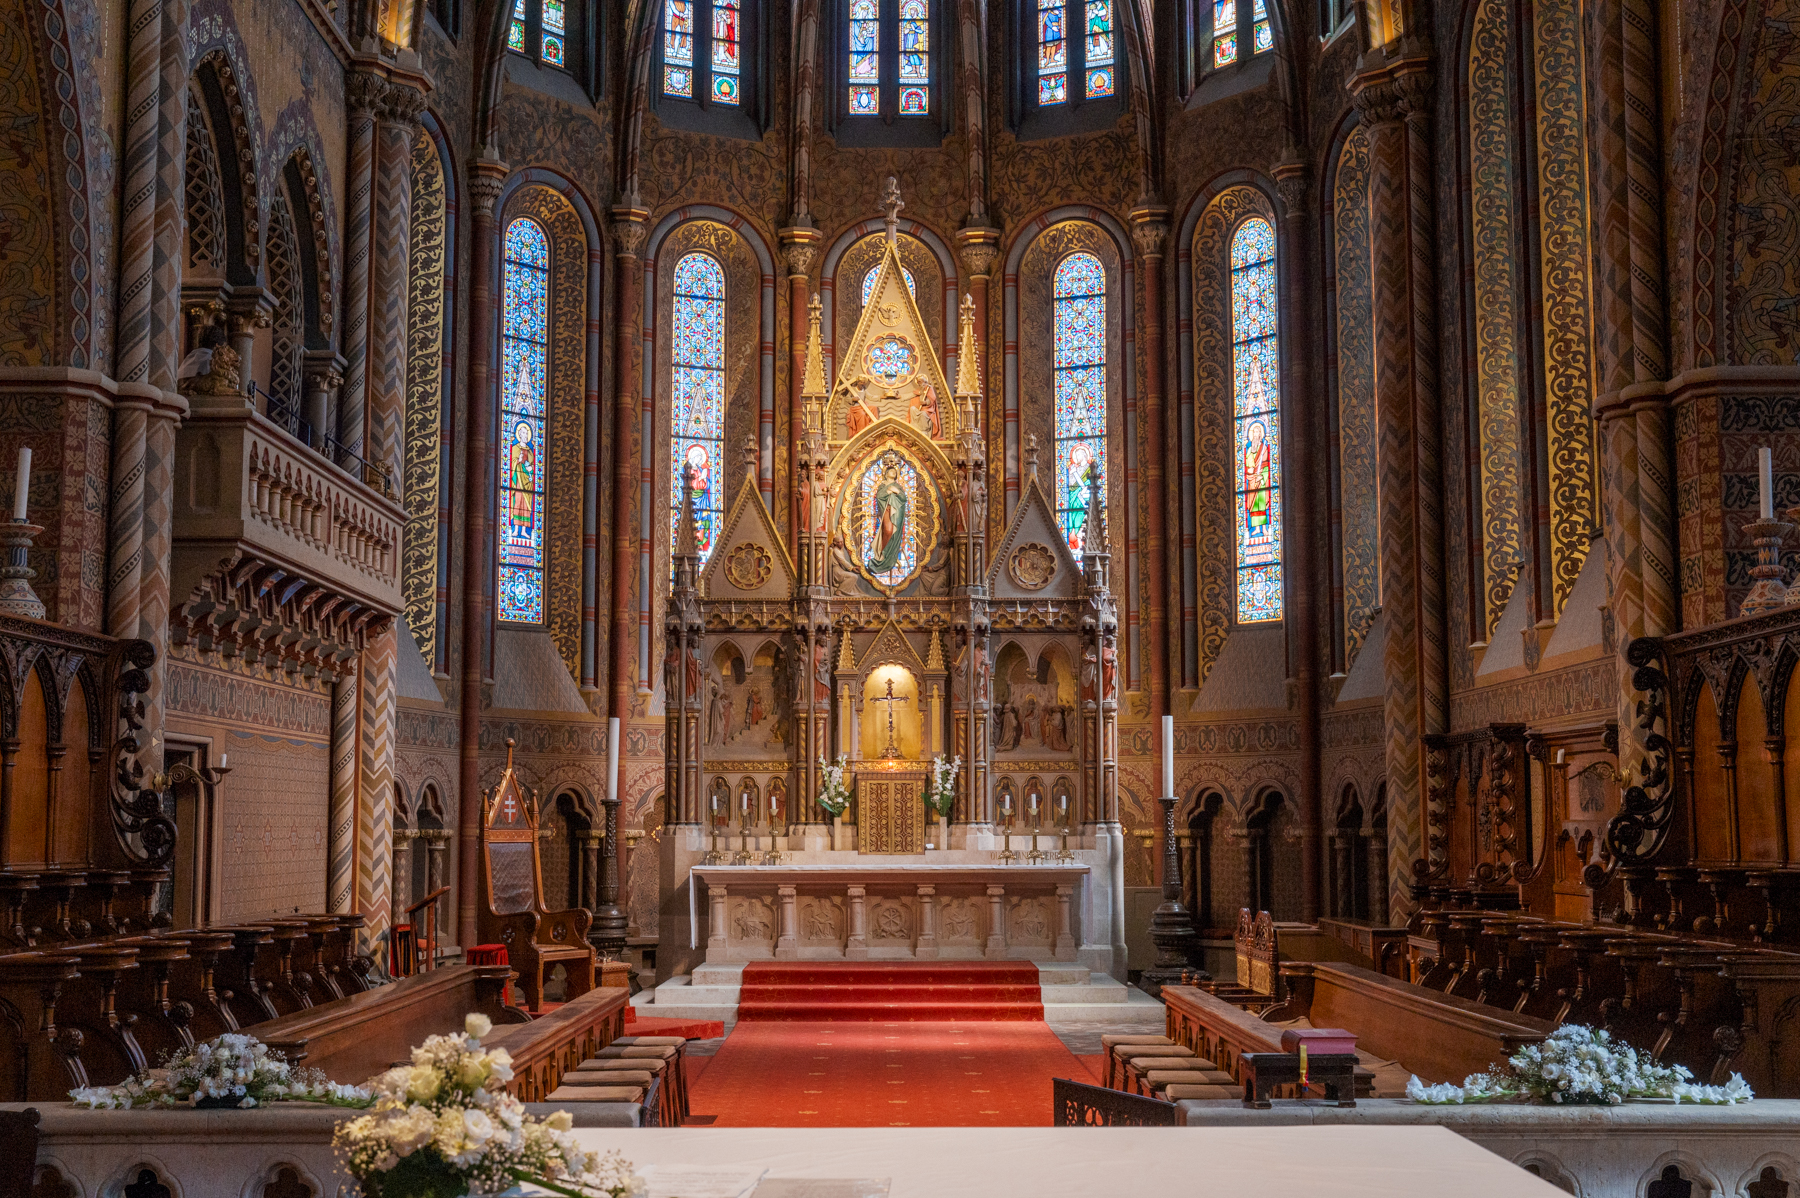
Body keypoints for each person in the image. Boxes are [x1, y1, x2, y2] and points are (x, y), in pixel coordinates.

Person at [867, 461, 909, 573]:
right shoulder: (883, 485)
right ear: (886, 474)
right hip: (887, 509)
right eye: (891, 471)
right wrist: (888, 490)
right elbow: (879, 496)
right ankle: (882, 554)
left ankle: (888, 555)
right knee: (888, 530)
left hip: (897, 512)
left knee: (894, 533)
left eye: (895, 471)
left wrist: (896, 491)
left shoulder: (897, 486)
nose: (893, 472)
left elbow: (903, 499)